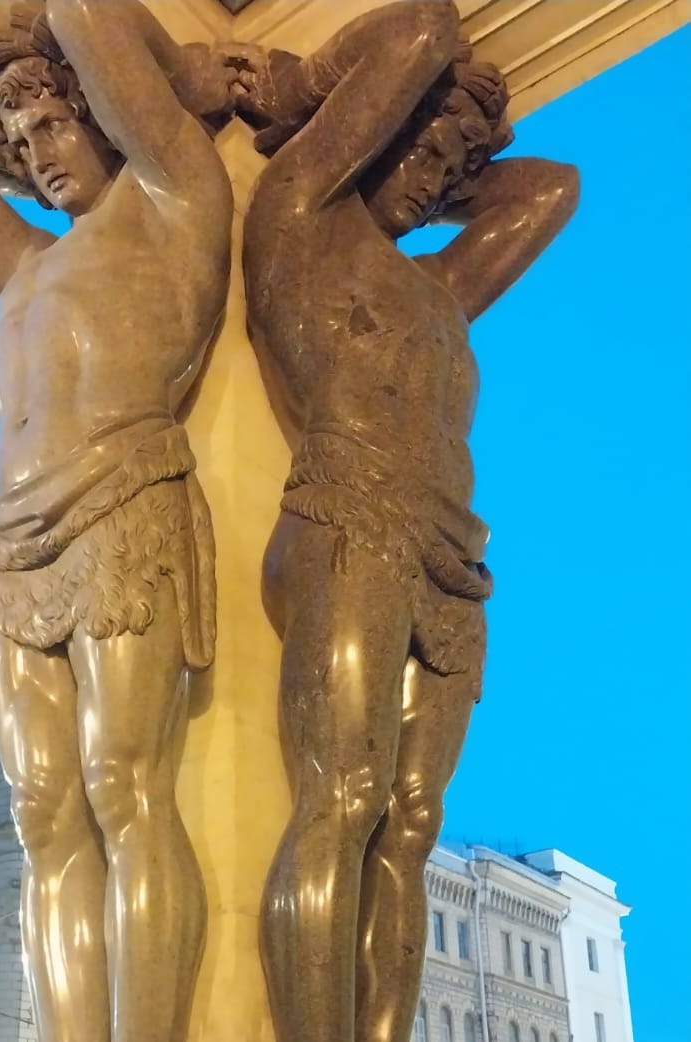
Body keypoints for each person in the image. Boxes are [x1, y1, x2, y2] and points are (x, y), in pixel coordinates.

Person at [0, 3, 235, 1040]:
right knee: (41, 813)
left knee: (127, 786)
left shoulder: (175, 198)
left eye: (52, 128)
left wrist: (172, 86)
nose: (37, 154)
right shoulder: (25, 262)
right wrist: (17, 124)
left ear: (107, 117)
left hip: (123, 498)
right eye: (19, 141)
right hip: (7, 543)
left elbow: (85, 13)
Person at [237, 4, 579, 1041]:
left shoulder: (440, 289)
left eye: (450, 166)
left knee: (414, 824)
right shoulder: (298, 216)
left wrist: (452, 147)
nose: (431, 179)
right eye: (419, 150)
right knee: (342, 795)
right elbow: (423, 27)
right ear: (371, 131)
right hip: (346, 513)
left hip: (450, 553)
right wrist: (314, 102)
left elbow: (551, 189)